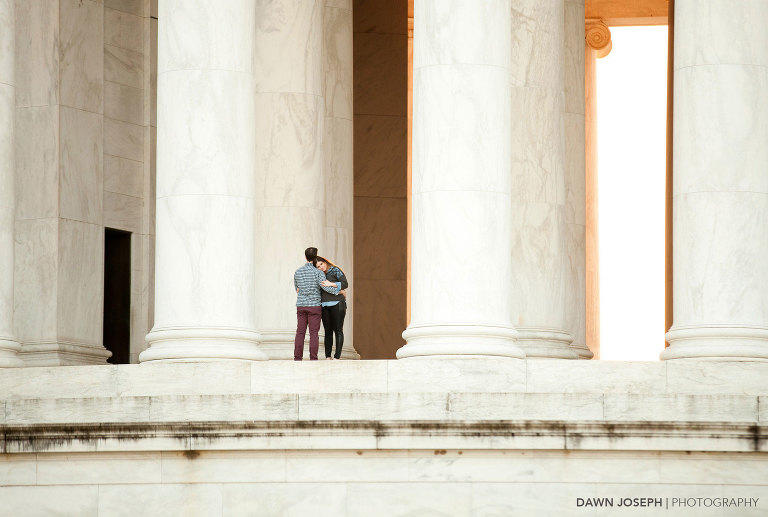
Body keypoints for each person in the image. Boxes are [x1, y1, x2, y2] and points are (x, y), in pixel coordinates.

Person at [294, 247, 340, 361]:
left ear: (305, 257)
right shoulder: (318, 272)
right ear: (315, 257)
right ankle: (313, 359)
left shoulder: (298, 272)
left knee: (300, 332)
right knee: (314, 333)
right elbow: (325, 287)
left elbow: (297, 288)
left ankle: (297, 358)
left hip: (301, 305)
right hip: (314, 306)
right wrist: (339, 291)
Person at [316, 256, 348, 359]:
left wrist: (332, 284)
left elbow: (345, 284)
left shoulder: (335, 270)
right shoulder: (319, 275)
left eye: (321, 264)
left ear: (325, 261)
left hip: (338, 303)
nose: (321, 267)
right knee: (327, 331)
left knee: (338, 330)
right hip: (324, 305)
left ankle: (337, 357)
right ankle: (328, 357)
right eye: (318, 266)